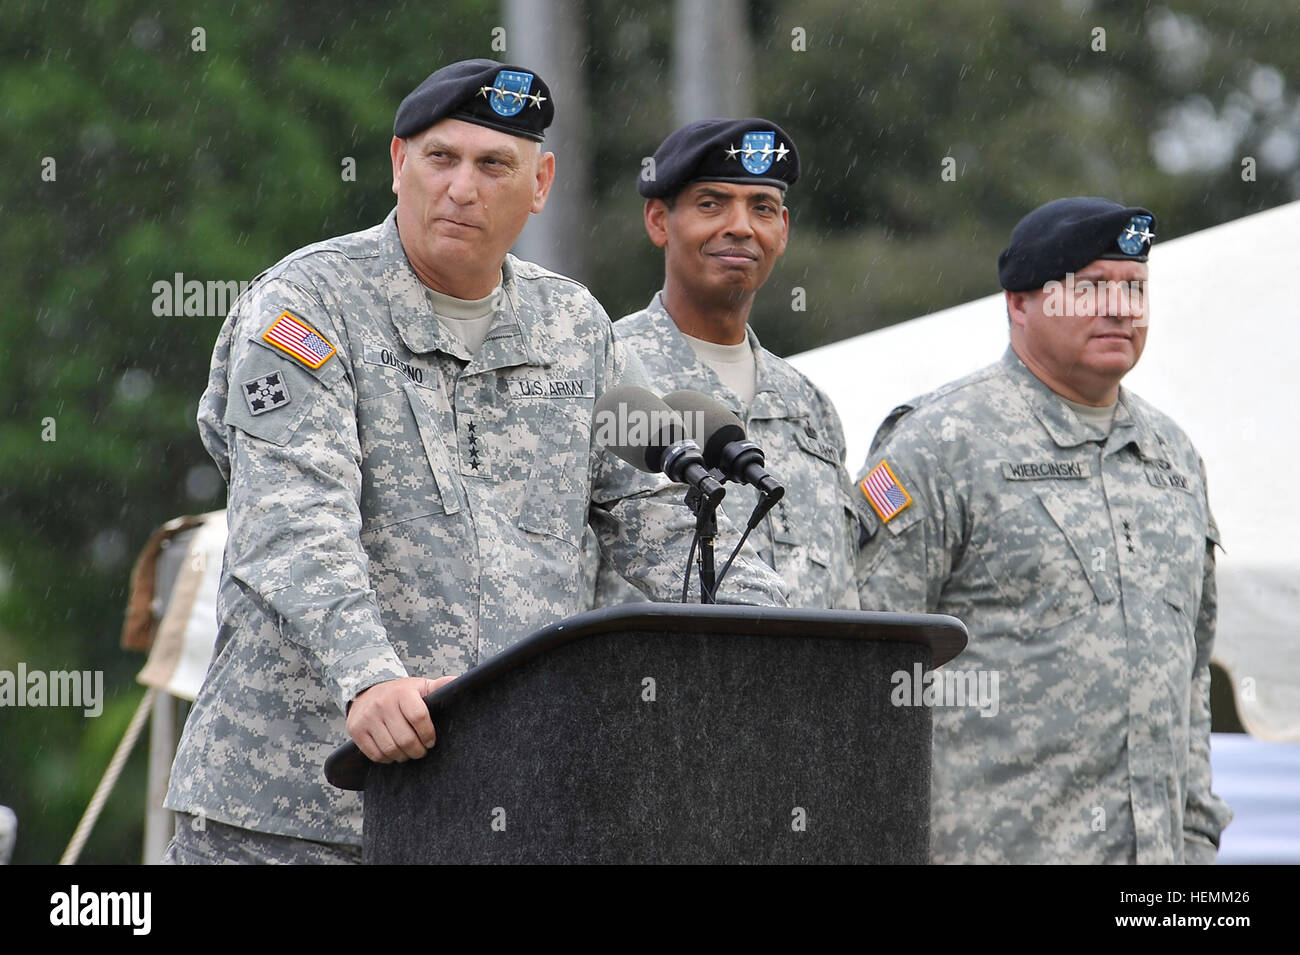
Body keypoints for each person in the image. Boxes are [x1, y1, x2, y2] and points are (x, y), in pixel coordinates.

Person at [162, 59, 787, 864]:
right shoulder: (306, 307)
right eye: (441, 158)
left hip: (500, 815)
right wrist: (369, 676)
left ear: (540, 184)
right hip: (299, 812)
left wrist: (786, 643)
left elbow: (660, 512)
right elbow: (292, 520)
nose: (463, 187)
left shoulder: (573, 326)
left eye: (494, 165)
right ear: (397, 165)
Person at [855, 197, 1232, 864]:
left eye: (1135, 288)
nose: (1121, 308)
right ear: (1019, 303)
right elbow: (858, 673)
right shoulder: (941, 444)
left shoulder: (1173, 457)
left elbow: (1191, 676)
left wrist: (1197, 837)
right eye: (1089, 287)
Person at [588, 119, 862, 610]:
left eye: (763, 208)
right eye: (711, 204)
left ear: (783, 231)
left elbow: (847, 596)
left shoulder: (808, 404)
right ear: (658, 221)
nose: (740, 226)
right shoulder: (604, 373)